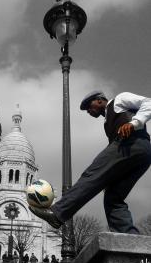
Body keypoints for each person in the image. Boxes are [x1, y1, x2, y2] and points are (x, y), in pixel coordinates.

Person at [30, 91, 151, 234]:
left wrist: (135, 123)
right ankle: (130, 240)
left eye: (89, 106)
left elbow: (148, 102)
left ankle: (58, 213)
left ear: (99, 100)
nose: (88, 111)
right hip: (142, 155)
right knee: (113, 197)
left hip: (133, 143)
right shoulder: (107, 123)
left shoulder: (119, 100)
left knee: (92, 174)